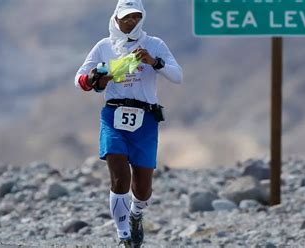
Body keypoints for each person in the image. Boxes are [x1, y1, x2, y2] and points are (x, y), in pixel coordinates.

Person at [74, 0, 183, 247]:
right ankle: (123, 236)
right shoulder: (104, 46)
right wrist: (95, 77)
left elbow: (178, 76)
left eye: (136, 17)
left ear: (142, 17)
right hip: (114, 115)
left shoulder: (154, 44)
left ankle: (135, 215)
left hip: (145, 118)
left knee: (142, 188)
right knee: (119, 178)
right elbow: (80, 78)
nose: (131, 22)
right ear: (116, 19)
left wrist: (154, 62)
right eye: (126, 17)